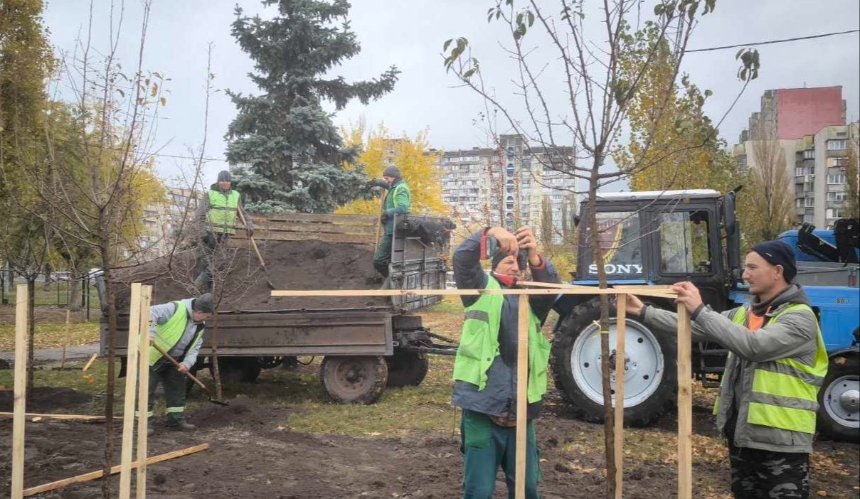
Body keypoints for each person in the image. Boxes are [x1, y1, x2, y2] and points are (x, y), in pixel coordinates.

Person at [625, 239, 826, 499]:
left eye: (752, 267)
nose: (745, 275)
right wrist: (643, 311)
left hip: (782, 443)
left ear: (778, 271)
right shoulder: (745, 314)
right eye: (745, 267)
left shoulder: (799, 318)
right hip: (743, 437)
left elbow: (753, 346)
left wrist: (699, 309)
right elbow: (695, 327)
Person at [452, 225, 559, 498]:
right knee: (478, 491)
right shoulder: (479, 288)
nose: (515, 266)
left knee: (528, 488)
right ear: (494, 266)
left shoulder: (531, 299)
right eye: (508, 261)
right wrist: (490, 232)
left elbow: (550, 287)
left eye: (519, 263)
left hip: (521, 411)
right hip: (482, 406)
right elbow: (462, 258)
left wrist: (535, 256)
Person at [145, 292, 215, 434]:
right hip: (151, 356)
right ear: (199, 312)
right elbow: (150, 312)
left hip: (174, 360)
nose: (207, 320)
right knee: (146, 390)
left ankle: (175, 421)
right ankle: (145, 424)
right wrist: (150, 333)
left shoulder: (199, 325)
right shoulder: (175, 308)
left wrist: (187, 364)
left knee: (177, 389)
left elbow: (194, 348)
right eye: (207, 316)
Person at [194, 170, 253, 290]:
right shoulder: (210, 194)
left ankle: (202, 284)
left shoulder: (235, 195)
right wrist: (202, 233)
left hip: (225, 234)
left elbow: (242, 213)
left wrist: (249, 224)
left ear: (230, 182)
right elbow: (200, 215)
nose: (225, 183)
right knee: (205, 261)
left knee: (221, 260)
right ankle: (200, 289)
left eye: (227, 181)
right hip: (210, 233)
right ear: (218, 181)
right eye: (222, 181)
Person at [371, 165, 411, 286]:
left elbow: (403, 208)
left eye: (387, 178)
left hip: (393, 231)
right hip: (390, 229)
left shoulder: (401, 188)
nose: (386, 180)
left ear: (393, 177)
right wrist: (378, 182)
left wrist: (386, 213)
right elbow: (388, 186)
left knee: (378, 260)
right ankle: (390, 282)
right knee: (387, 259)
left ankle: (392, 281)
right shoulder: (394, 186)